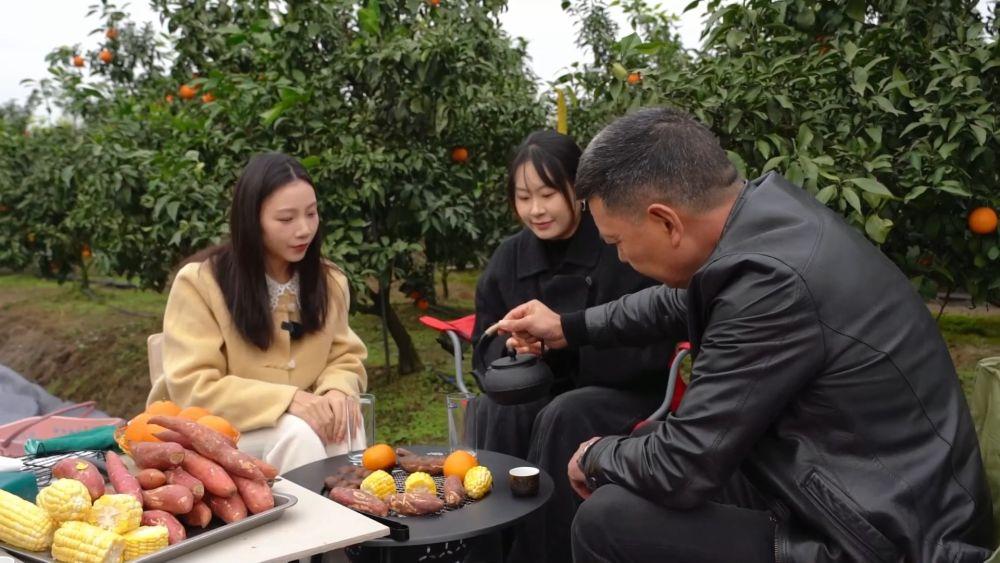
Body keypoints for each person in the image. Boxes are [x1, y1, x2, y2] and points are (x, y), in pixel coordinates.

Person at [497, 108, 994, 562]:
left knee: (608, 521)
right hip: (856, 496)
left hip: (888, 542)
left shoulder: (770, 286)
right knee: (629, 467)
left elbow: (680, 466)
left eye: (618, 242)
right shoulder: (767, 224)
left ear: (666, 221)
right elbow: (673, 303)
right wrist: (567, 327)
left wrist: (596, 455)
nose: (621, 257)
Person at [471, 130, 675, 563]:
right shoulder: (510, 258)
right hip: (541, 390)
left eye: (548, 194)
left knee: (565, 412)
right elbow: (484, 339)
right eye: (523, 197)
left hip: (622, 390)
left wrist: (563, 344)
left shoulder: (616, 246)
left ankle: (546, 552)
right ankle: (488, 547)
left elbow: (648, 342)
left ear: (578, 190)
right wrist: (513, 351)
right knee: (497, 407)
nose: (536, 209)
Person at [147, 152, 368, 474]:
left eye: (311, 213)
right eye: (286, 219)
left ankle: (353, 506)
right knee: (298, 435)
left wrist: (337, 389)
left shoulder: (329, 281)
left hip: (295, 423)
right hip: (217, 429)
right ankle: (305, 510)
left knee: (344, 425)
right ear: (252, 220)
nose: (304, 229)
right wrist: (287, 400)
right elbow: (194, 386)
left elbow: (344, 356)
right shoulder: (201, 283)